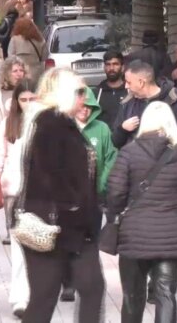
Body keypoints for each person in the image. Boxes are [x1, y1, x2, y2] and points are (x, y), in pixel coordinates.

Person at [17, 68, 104, 323]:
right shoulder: (50, 123)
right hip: (54, 225)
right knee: (44, 297)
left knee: (91, 287)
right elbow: (50, 173)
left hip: (74, 228)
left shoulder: (63, 123)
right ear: (64, 93)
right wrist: (74, 207)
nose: (84, 98)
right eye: (79, 92)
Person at [106, 102, 177, 323]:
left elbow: (115, 191)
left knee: (132, 297)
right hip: (171, 234)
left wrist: (114, 215)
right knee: (165, 294)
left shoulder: (129, 152)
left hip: (135, 234)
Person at [59, 86, 117, 302]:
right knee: (67, 241)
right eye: (81, 106)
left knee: (90, 241)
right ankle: (68, 283)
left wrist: (101, 185)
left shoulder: (102, 129)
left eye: (89, 106)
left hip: (94, 198)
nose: (85, 110)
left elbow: (111, 157)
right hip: (67, 198)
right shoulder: (63, 128)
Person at [0, 82, 35, 315]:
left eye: (32, 99)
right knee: (19, 247)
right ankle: (20, 298)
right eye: (23, 100)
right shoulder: (8, 124)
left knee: (40, 247)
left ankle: (37, 294)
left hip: (43, 193)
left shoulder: (47, 123)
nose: (28, 104)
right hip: (15, 192)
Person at [112, 60, 177, 167]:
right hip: (137, 170)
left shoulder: (175, 99)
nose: (126, 86)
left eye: (129, 82)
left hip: (169, 168)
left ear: (141, 82)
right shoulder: (127, 103)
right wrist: (122, 129)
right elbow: (115, 142)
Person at [0, 56, 28, 150]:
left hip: (18, 143)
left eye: (21, 70)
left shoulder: (25, 93)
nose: (19, 74)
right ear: (6, 73)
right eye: (15, 71)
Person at [7, 17, 46, 85]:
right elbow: (44, 57)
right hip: (37, 74)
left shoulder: (14, 40)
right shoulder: (40, 40)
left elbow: (10, 57)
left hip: (20, 74)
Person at [95, 50, 128, 128]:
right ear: (104, 67)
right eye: (108, 64)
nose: (111, 68)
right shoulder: (97, 92)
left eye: (115, 64)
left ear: (122, 67)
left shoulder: (130, 91)